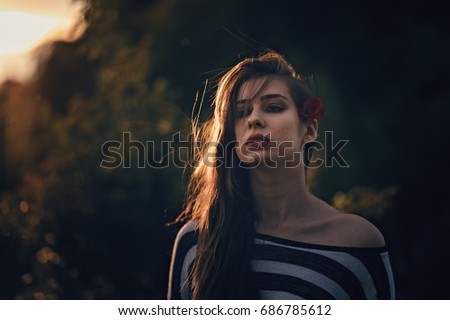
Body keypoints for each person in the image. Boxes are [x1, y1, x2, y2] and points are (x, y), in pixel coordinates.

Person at [167, 51, 395, 300]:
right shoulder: (197, 241)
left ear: (309, 129)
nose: (254, 119)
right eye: (241, 112)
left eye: (273, 107)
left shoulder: (357, 243)